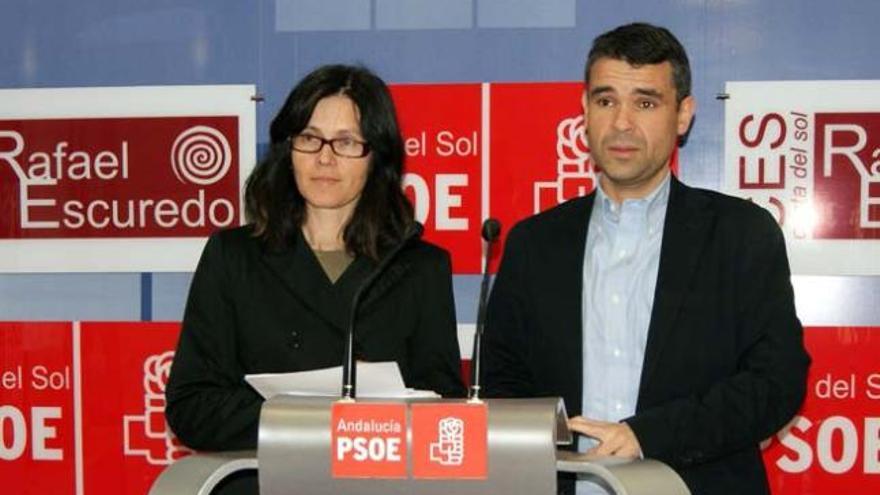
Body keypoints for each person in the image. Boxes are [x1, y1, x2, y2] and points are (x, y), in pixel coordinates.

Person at [482, 23, 809, 495]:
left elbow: (775, 382)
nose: (621, 123)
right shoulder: (534, 243)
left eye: (646, 102)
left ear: (683, 115)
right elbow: (500, 381)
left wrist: (646, 436)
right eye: (606, 100)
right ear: (584, 111)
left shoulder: (740, 235)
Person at [166, 64, 465, 458]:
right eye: (310, 138)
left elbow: (445, 415)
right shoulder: (234, 257)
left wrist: (366, 427)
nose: (325, 158)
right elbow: (192, 407)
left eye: (346, 142)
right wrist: (307, 421)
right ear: (287, 149)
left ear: (377, 157)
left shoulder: (419, 267)